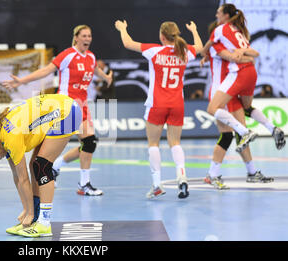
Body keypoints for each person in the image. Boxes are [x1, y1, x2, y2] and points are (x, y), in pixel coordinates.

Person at [3, 25, 113, 196]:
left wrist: (106, 77)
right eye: (84, 35)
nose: (87, 39)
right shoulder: (67, 55)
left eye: (89, 36)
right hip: (65, 105)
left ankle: (67, 173)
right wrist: (22, 81)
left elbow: (94, 69)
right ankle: (60, 175)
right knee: (64, 146)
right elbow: (46, 70)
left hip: (81, 105)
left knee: (89, 143)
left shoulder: (91, 57)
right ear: (76, 37)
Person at [115, 19, 203, 199]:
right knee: (175, 143)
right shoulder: (184, 52)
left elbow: (127, 43)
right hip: (177, 104)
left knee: (153, 144)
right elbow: (200, 47)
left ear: (162, 36)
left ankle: (156, 185)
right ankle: (182, 176)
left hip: (157, 103)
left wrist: (123, 28)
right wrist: (194, 30)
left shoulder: (155, 50)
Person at [0, 94, 82, 237]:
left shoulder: (10, 137)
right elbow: (17, 176)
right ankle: (35, 217)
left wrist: (28, 213)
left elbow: (24, 179)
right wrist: (26, 211)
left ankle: (44, 223)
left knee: (41, 165)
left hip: (66, 113)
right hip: (53, 113)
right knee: (33, 165)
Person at [201, 18, 275, 189]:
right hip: (221, 92)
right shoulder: (217, 46)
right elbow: (237, 58)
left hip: (230, 92)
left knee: (241, 137)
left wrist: (244, 53)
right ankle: (212, 175)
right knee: (226, 136)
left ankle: (251, 172)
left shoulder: (224, 45)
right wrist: (245, 56)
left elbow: (247, 55)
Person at [203, 3, 285, 153]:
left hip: (236, 77)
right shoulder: (238, 32)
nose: (216, 16)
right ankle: (272, 128)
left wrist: (204, 52)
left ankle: (245, 132)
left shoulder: (219, 32)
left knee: (213, 109)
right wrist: (246, 56)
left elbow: (223, 52)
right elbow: (254, 54)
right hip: (251, 74)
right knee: (246, 108)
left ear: (226, 16)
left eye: (218, 13)